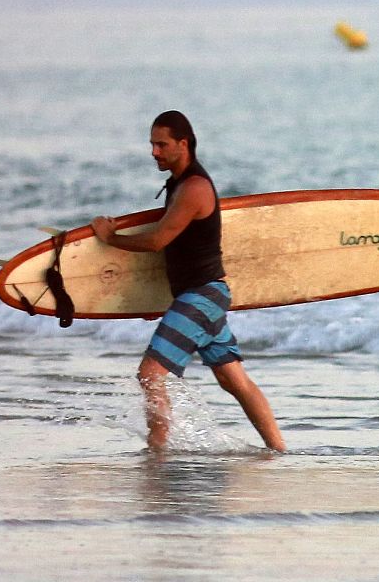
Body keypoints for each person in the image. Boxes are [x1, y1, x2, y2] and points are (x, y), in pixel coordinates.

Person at [91, 111, 286, 452]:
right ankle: (279, 449)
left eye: (161, 144)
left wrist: (110, 237)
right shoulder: (180, 185)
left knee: (150, 374)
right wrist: (159, 302)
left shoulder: (195, 187)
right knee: (233, 379)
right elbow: (179, 254)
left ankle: (158, 452)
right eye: (152, 144)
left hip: (202, 296)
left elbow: (157, 241)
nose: (154, 151)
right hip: (201, 296)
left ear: (183, 144)